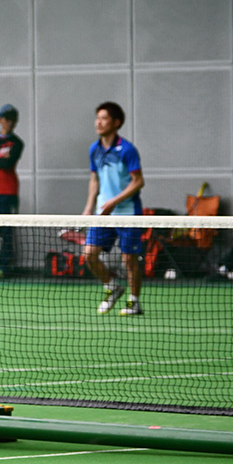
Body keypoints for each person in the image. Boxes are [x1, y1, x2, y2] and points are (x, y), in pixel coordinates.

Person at [82, 101, 145, 316]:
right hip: (103, 213)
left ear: (116, 123)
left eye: (104, 118)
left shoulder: (127, 150)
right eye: (97, 118)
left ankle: (134, 301)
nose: (99, 122)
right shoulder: (95, 149)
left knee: (128, 259)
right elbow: (94, 179)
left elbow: (138, 181)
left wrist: (114, 202)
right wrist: (89, 207)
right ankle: (112, 287)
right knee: (89, 254)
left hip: (128, 213)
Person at [0, 104, 24, 275]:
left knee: (6, 231)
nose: (8, 122)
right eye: (5, 119)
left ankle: (5, 266)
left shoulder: (17, 143)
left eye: (12, 119)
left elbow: (8, 163)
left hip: (8, 192)